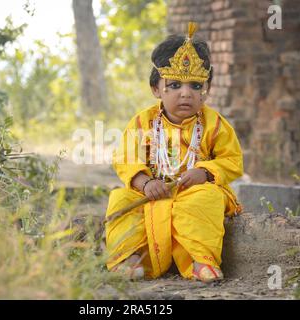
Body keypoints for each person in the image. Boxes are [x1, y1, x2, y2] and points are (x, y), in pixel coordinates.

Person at [104, 22, 243, 283]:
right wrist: (145, 183)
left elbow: (232, 161)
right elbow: (125, 158)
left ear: (207, 90)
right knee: (120, 199)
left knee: (206, 199)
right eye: (175, 85)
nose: (186, 94)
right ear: (156, 89)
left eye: (196, 86)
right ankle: (129, 259)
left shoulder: (215, 125)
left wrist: (205, 172)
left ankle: (200, 260)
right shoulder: (141, 123)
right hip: (152, 193)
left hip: (194, 191)